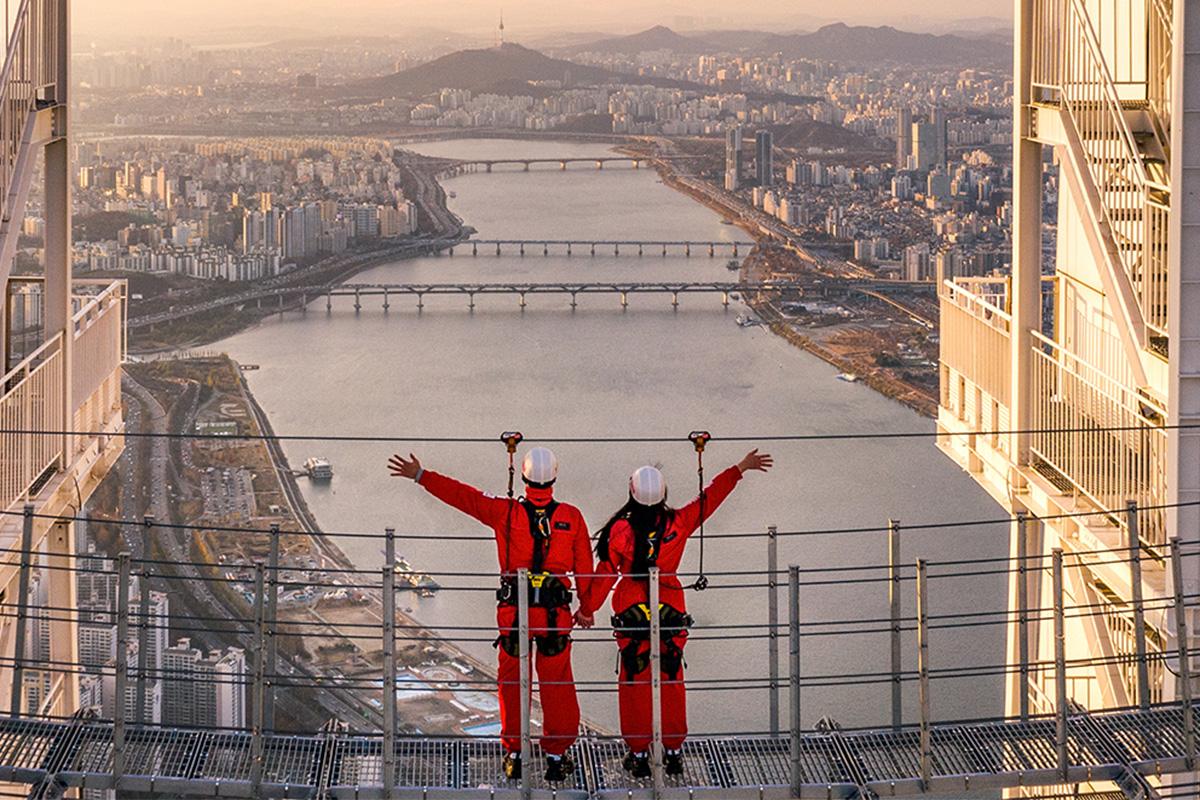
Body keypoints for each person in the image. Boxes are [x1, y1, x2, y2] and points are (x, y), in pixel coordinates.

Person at [388, 448, 598, 783]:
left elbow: (465, 497)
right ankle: (557, 755)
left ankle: (515, 752)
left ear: (525, 477)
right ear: (554, 477)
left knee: (513, 683)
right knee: (557, 684)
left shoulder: (506, 512)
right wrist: (587, 610)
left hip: (515, 615)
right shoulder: (571, 517)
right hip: (554, 617)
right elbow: (587, 572)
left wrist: (421, 475)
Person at [582, 449, 773, 778]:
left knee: (634, 680)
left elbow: (605, 575)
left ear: (632, 494)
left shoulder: (620, 532)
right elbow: (708, 499)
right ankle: (672, 750)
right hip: (670, 608)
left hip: (631, 612)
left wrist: (586, 610)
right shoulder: (678, 524)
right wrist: (739, 468)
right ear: (664, 494)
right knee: (670, 677)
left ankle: (639, 752)